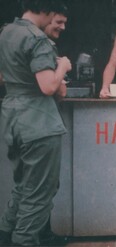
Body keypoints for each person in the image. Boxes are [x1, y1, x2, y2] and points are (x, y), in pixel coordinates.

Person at [0, 0, 72, 245]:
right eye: (54, 14)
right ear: (46, 10)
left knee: (23, 186)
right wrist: (62, 66)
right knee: (40, 192)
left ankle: (5, 234)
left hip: (12, 119)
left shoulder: (6, 32)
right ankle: (24, 241)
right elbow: (49, 86)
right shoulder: (37, 39)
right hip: (38, 122)